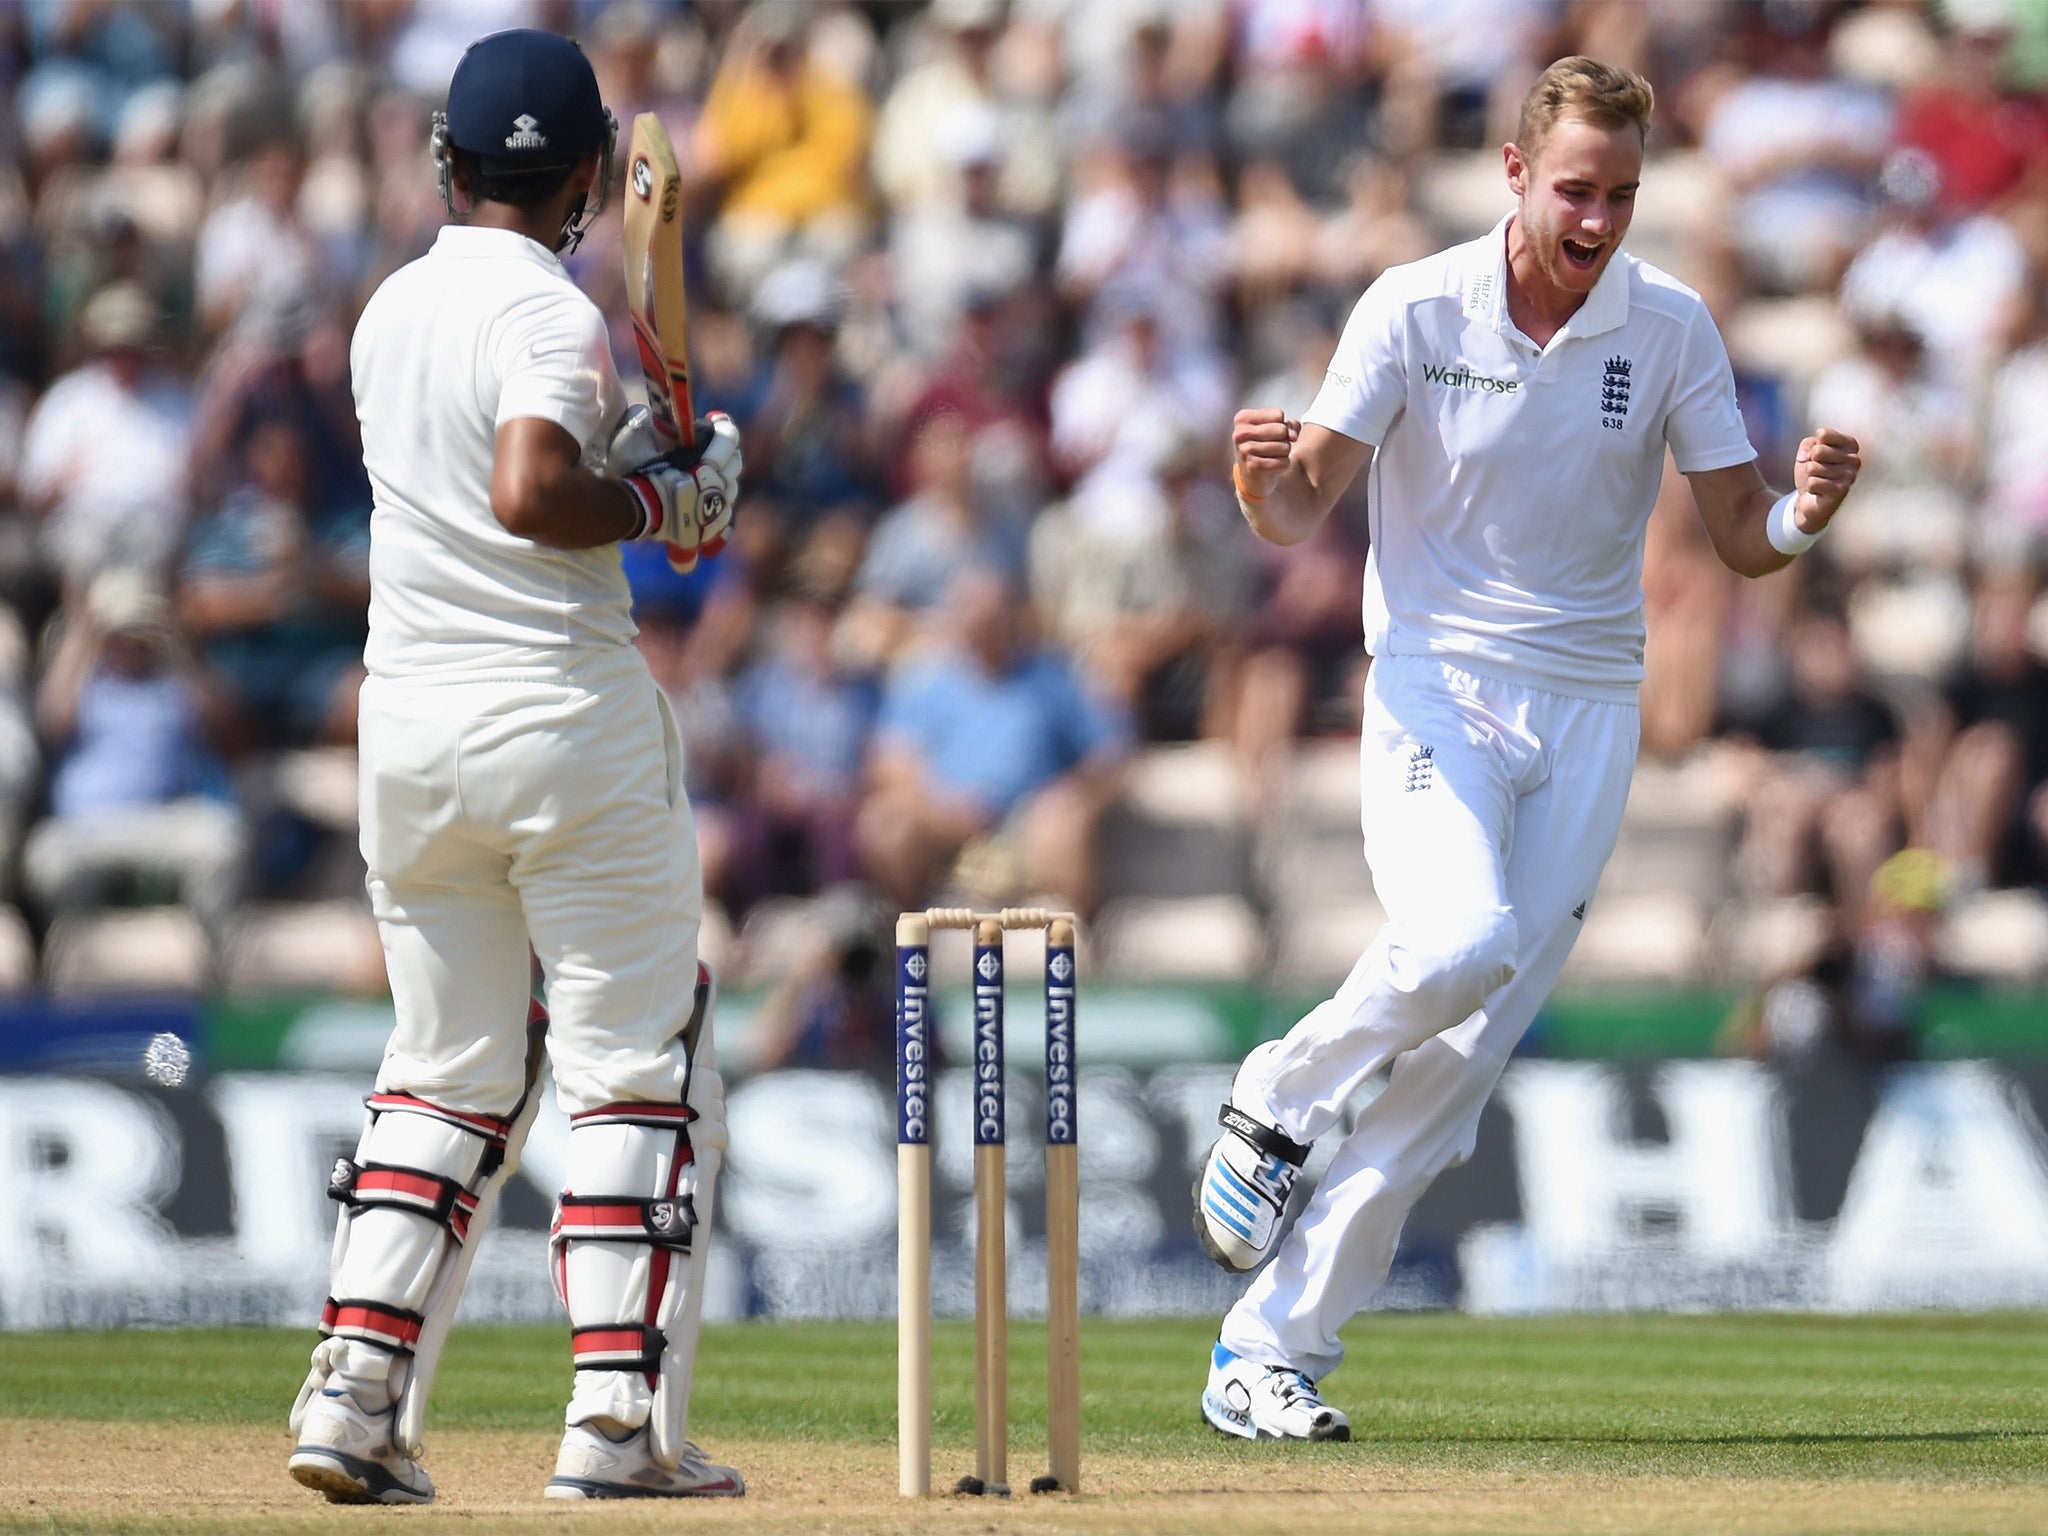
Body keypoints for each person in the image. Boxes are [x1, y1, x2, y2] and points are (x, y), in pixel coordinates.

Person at [1193, 56, 1862, 1442]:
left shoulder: (1670, 327)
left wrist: (1802, 514)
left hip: (1592, 706)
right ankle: (1281, 1091)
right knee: (1462, 939)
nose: (1600, 218)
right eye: (1576, 189)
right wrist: (1260, 488)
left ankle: (1270, 1357)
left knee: (1453, 1084)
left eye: (1622, 193)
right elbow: (1301, 505)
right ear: (1514, 173)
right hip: (1438, 686)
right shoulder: (1413, 303)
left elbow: (1741, 541)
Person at [284, 32, 746, 1505]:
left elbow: (489, 487)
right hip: (558, 718)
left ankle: (354, 1396)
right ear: (595, 180)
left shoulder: (384, 311)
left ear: (447, 160)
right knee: (632, 1065)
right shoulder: (550, 315)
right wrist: (670, 493)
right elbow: (530, 491)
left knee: (446, 1071)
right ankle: (616, 1425)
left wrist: (644, 476)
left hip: (409, 726)